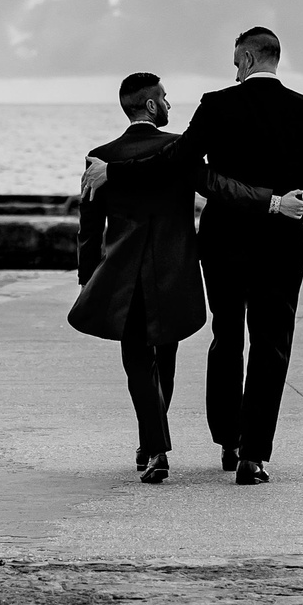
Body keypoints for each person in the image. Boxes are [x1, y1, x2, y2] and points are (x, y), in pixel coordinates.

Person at [82, 26, 303, 485]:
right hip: (283, 237)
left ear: (244, 58)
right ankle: (252, 458)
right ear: (274, 59)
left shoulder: (217, 104)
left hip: (225, 238)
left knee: (227, 337)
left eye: (234, 59)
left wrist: (113, 171)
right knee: (272, 344)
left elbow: (178, 159)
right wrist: (286, 191)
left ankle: (229, 438)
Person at [69, 73, 276, 484]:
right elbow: (218, 187)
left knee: (137, 364)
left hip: (122, 280)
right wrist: (271, 202)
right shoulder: (177, 149)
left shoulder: (100, 156)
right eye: (164, 97)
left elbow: (89, 227)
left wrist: (89, 277)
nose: (168, 103)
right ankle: (153, 444)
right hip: (173, 276)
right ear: (149, 106)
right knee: (164, 358)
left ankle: (155, 449)